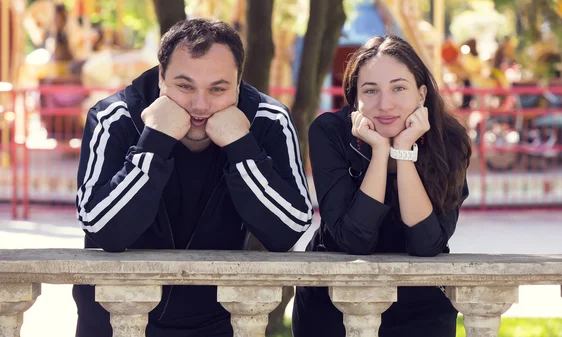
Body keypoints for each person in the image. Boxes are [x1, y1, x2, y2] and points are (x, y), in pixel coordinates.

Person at [72, 18, 313, 337]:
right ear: (161, 77)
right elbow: (105, 231)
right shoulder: (113, 118)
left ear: (238, 83)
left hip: (217, 321)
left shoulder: (268, 120)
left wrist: (241, 146)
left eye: (218, 88)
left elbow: (288, 229)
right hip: (114, 317)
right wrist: (154, 142)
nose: (201, 105)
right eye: (185, 86)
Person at [292, 35, 471, 337]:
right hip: (336, 301)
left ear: (422, 93)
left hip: (421, 305)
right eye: (370, 90)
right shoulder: (330, 132)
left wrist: (402, 152)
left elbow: (426, 244)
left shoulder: (448, 140)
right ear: (355, 99)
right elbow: (353, 241)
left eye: (399, 88)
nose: (385, 104)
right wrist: (379, 152)